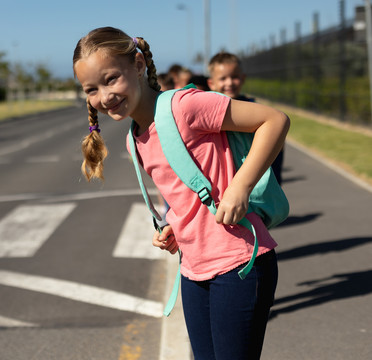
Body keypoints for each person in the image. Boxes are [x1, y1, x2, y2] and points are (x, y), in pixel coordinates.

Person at [73, 27, 289, 360]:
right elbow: (182, 193)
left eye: (111, 78)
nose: (104, 96)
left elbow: (274, 121)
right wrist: (174, 223)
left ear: (138, 64)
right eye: (91, 89)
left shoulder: (184, 107)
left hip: (239, 263)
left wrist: (240, 187)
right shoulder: (135, 140)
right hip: (193, 270)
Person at [207, 51, 284, 184]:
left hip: (254, 185)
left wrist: (275, 181)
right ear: (211, 83)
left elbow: (275, 151)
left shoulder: (257, 111)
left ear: (243, 78)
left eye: (234, 77)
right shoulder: (206, 112)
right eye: (223, 78)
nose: (229, 82)